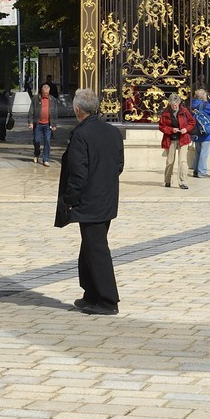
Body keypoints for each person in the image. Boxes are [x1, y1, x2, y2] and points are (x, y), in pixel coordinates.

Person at [56, 86, 124, 315]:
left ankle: (108, 300)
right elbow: (119, 166)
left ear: (78, 110)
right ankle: (91, 294)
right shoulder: (113, 132)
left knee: (97, 249)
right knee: (89, 248)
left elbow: (78, 173)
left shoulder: (81, 135)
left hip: (89, 201)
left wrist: (69, 200)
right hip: (106, 199)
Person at [158, 92, 196, 189]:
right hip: (171, 139)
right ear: (170, 104)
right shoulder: (166, 113)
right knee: (170, 161)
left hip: (183, 138)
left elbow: (192, 122)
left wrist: (186, 129)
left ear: (179, 103)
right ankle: (167, 180)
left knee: (182, 161)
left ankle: (183, 182)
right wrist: (171, 130)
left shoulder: (184, 111)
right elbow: (161, 126)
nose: (174, 106)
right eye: (172, 105)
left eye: (176, 105)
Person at [190, 87, 210, 179]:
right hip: (206, 132)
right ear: (203, 96)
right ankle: (202, 172)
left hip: (196, 131)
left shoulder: (193, 105)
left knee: (198, 152)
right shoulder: (205, 105)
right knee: (204, 152)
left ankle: (196, 171)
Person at [32, 82, 56, 166]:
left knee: (47, 141)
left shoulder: (53, 100)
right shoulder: (36, 98)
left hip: (48, 124)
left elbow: (55, 112)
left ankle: (46, 159)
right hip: (38, 124)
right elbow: (31, 110)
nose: (45, 94)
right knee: (36, 140)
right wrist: (30, 122)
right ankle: (36, 153)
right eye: (44, 93)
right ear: (41, 92)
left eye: (47, 93)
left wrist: (54, 124)